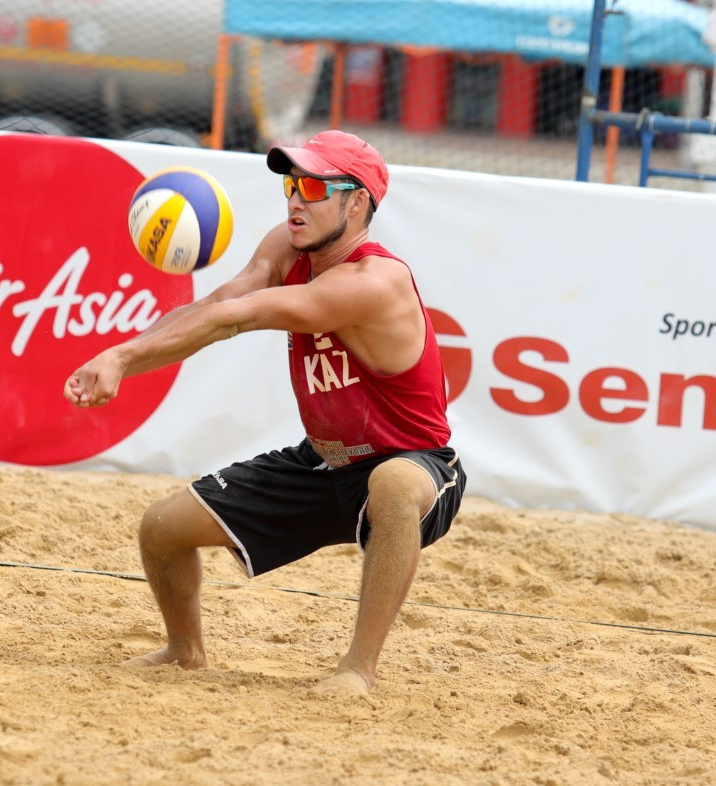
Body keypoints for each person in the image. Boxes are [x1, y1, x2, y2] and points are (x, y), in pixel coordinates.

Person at [63, 130, 466, 697]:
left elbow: (239, 319)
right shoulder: (287, 245)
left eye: (312, 186)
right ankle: (185, 652)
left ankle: (358, 668)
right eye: (290, 184)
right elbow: (218, 306)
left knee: (392, 484)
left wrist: (125, 356)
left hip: (414, 460)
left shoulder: (375, 282)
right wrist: (119, 358)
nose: (295, 199)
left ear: (356, 202)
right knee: (161, 529)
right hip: (323, 462)